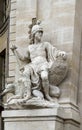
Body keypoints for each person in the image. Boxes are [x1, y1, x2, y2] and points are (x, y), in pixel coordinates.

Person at [11, 22, 66, 102]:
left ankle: (47, 95)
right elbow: (23, 58)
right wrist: (15, 50)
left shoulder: (45, 44)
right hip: (32, 65)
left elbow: (54, 51)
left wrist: (60, 53)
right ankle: (28, 95)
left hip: (43, 64)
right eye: (39, 32)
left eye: (41, 32)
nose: (41, 34)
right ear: (34, 34)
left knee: (44, 76)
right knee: (26, 73)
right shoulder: (30, 47)